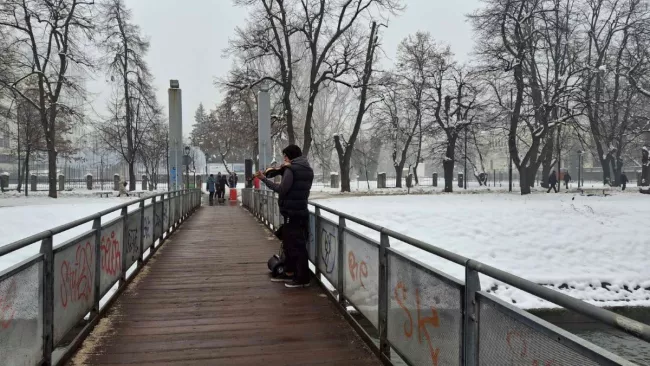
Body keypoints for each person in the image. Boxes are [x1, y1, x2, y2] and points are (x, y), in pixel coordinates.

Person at [256, 144, 314, 288]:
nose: (285, 160)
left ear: (290, 156)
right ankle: (290, 272)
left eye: (286, 157)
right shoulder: (307, 169)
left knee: (295, 246)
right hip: (301, 211)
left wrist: (264, 179)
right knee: (291, 243)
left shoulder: (291, 169)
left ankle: (301, 278)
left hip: (291, 212)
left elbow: (282, 189)